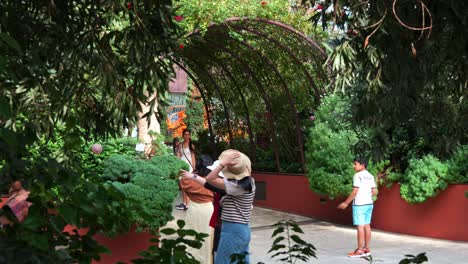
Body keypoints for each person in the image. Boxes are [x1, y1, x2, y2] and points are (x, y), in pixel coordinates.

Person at [203, 149, 256, 264]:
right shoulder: (250, 182)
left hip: (233, 230)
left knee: (223, 261)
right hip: (243, 229)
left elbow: (209, 179)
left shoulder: (236, 187)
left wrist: (223, 164)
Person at [338, 156, 377, 258]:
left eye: (355, 164)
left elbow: (355, 191)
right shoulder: (370, 176)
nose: (353, 166)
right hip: (369, 204)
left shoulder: (357, 175)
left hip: (359, 205)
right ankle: (366, 249)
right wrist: (366, 195)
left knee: (360, 227)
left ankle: (359, 251)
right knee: (367, 225)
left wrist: (346, 203)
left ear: (362, 165)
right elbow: (374, 191)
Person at [180, 163, 215, 264]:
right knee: (206, 239)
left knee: (190, 236)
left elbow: (183, 183)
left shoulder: (188, 180)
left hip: (193, 208)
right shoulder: (213, 181)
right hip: (208, 210)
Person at [176, 129, 196, 210]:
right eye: (185, 134)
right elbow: (178, 155)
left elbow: (193, 157)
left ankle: (187, 204)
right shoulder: (180, 145)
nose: (187, 136)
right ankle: (185, 203)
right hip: (181, 166)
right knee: (182, 185)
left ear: (190, 135)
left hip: (189, 167)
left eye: (188, 134)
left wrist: (194, 168)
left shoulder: (192, 145)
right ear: (183, 135)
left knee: (186, 185)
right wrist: (177, 165)